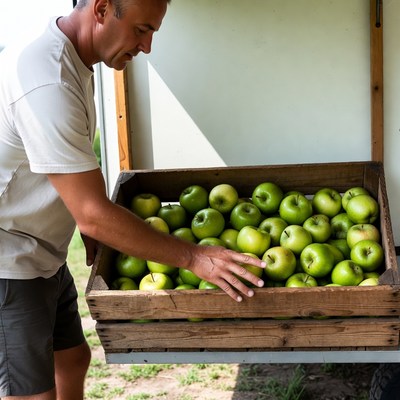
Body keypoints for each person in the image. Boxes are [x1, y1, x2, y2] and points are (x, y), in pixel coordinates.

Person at [0, 0, 265, 398]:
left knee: (72, 359)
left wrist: (94, 220)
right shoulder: (49, 80)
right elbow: (91, 213)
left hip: (41, 251)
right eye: (142, 30)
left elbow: (68, 168)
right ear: (103, 10)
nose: (147, 47)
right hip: (9, 259)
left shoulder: (75, 62)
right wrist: (195, 257)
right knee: (32, 393)